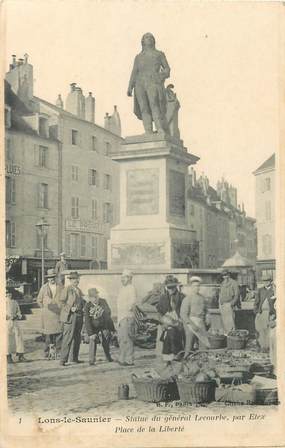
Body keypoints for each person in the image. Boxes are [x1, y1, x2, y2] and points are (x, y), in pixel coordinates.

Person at [127, 33, 170, 134]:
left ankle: (160, 128)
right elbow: (134, 72)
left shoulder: (159, 54)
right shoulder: (138, 57)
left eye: (151, 37)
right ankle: (148, 131)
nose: (149, 39)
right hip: (139, 83)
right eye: (146, 37)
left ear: (154, 41)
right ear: (142, 41)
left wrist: (160, 76)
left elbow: (167, 69)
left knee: (154, 104)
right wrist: (130, 86)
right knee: (144, 107)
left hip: (153, 82)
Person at [156, 275, 185, 363]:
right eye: (169, 288)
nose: (171, 290)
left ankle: (177, 353)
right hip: (166, 321)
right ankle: (168, 355)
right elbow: (159, 312)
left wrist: (179, 321)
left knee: (173, 332)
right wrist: (163, 322)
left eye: (173, 287)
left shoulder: (182, 297)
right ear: (166, 288)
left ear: (176, 286)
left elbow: (185, 312)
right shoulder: (163, 298)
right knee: (169, 331)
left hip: (180, 321)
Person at [59, 271, 85, 366]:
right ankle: (63, 360)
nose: (76, 280)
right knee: (67, 338)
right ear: (70, 280)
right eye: (74, 279)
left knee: (77, 338)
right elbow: (61, 302)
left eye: (77, 278)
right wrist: (70, 308)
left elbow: (82, 302)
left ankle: (74, 358)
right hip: (70, 317)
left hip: (79, 317)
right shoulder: (67, 289)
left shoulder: (78, 290)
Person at [84, 288, 115, 366]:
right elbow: (87, 321)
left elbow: (108, 314)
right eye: (93, 297)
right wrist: (91, 334)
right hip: (93, 327)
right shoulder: (87, 306)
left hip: (103, 324)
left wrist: (111, 328)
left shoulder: (103, 301)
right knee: (92, 340)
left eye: (96, 296)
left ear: (98, 296)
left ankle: (108, 356)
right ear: (89, 298)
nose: (95, 299)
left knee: (106, 338)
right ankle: (91, 359)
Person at [37, 268, 63, 358]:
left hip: (57, 314)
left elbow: (64, 299)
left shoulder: (60, 287)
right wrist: (44, 309)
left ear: (55, 277)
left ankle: (59, 351)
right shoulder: (44, 288)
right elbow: (39, 300)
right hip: (47, 315)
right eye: (49, 278)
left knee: (59, 333)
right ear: (47, 279)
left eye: (53, 277)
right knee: (48, 335)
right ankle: (47, 351)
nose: (51, 279)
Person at [180, 276, 208, 357]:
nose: (197, 288)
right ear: (191, 287)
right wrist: (192, 324)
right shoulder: (187, 299)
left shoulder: (202, 298)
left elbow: (206, 310)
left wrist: (207, 317)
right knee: (189, 345)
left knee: (204, 345)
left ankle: (202, 361)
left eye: (198, 286)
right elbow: (183, 315)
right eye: (195, 286)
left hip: (200, 322)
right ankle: (186, 360)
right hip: (190, 323)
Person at [117, 269, 137, 366]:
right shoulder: (122, 289)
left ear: (129, 278)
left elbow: (132, 302)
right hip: (121, 317)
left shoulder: (131, 288)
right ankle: (122, 358)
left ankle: (129, 359)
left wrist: (127, 311)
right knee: (121, 338)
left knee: (127, 339)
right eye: (122, 277)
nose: (122, 279)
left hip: (127, 317)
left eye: (124, 277)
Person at [254, 276, 275, 351]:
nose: (266, 283)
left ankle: (268, 347)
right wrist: (256, 312)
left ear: (271, 281)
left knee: (268, 330)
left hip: (270, 314)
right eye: (264, 281)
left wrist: (274, 315)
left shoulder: (274, 290)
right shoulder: (260, 290)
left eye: (267, 281)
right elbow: (256, 302)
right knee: (260, 330)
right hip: (261, 313)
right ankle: (261, 346)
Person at [6, 287, 26, 363]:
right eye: (7, 293)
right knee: (7, 339)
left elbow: (19, 312)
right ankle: (8, 356)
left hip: (15, 322)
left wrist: (17, 316)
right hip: (6, 322)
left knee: (19, 337)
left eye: (10, 293)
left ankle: (20, 355)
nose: (8, 295)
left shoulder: (15, 302)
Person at [219, 270, 239, 334]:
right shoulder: (222, 283)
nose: (225, 277)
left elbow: (237, 295)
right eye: (223, 276)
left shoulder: (234, 283)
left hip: (229, 305)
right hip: (223, 305)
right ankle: (226, 338)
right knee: (224, 324)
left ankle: (232, 338)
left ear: (229, 275)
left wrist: (232, 303)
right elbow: (220, 294)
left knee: (231, 324)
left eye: (226, 275)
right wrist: (220, 303)